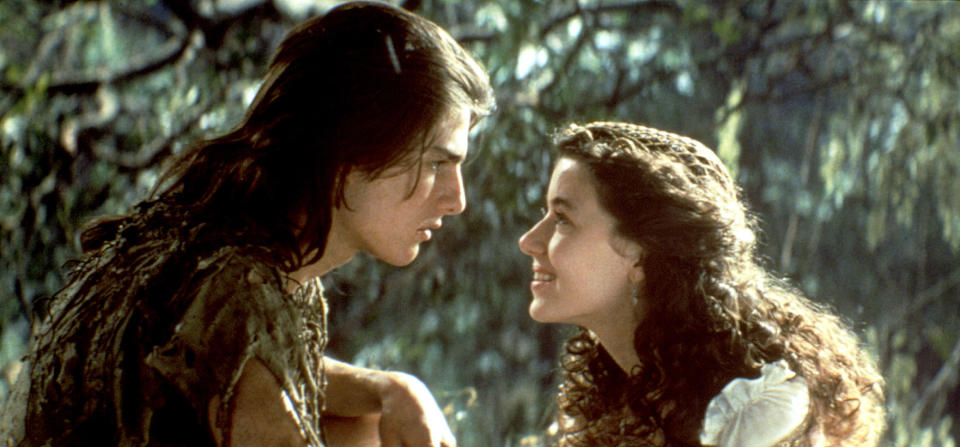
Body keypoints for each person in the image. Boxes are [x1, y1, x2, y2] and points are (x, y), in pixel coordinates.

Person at [0, 2, 493, 446]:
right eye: (436, 163)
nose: (457, 200)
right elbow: (240, 361)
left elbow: (216, 361)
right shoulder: (239, 292)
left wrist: (394, 388)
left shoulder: (204, 244)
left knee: (364, 424)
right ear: (349, 147)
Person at [518, 122, 885, 446]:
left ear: (641, 252)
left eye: (562, 219)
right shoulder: (613, 402)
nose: (529, 241)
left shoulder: (754, 415)